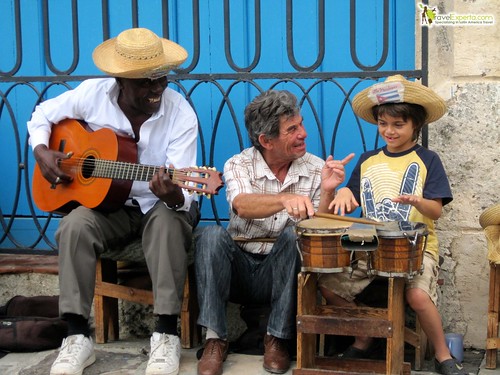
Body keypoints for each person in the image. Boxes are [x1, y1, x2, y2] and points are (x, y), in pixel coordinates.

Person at [27, 28, 200, 375]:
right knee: (74, 225)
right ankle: (77, 337)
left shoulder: (181, 113)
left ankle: (165, 335)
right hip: (109, 208)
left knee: (167, 223)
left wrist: (174, 191)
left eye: (161, 78)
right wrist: (43, 152)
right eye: (146, 82)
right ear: (121, 80)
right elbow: (41, 115)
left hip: (159, 206)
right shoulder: (92, 94)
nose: (157, 88)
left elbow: (188, 193)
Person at [194, 89, 354, 375]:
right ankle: (214, 341)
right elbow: (241, 205)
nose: (303, 133)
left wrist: (329, 192)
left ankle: (277, 339)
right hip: (237, 271)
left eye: (301, 124)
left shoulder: (316, 167)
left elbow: (321, 229)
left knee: (297, 236)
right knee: (209, 236)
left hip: (282, 272)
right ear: (266, 141)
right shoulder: (239, 163)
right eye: (292, 129)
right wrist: (283, 200)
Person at [322, 75, 466, 375]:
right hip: (370, 246)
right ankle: (364, 333)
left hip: (417, 247)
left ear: (416, 125)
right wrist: (345, 190)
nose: (389, 131)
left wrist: (417, 202)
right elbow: (351, 196)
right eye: (383, 123)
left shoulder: (428, 159)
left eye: (398, 125)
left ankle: (442, 355)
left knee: (417, 295)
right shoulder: (368, 159)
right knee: (325, 283)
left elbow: (436, 211)